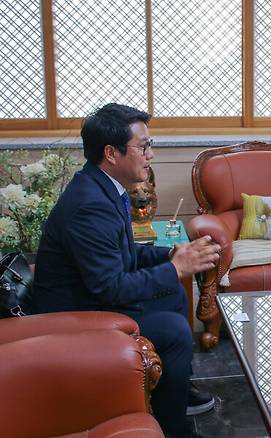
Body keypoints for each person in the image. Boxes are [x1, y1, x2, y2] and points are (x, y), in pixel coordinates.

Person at [33, 103, 221, 437]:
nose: (150, 155)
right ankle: (172, 427)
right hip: (74, 314)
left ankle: (175, 388)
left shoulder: (105, 186)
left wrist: (171, 255)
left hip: (92, 295)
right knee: (174, 329)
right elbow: (110, 287)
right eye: (143, 147)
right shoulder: (90, 204)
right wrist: (176, 267)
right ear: (111, 153)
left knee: (173, 293)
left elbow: (124, 253)